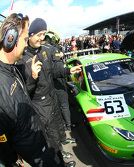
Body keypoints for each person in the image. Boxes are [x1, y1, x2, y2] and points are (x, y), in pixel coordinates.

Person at [0, 13, 66, 166]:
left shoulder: (12, 69)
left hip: (41, 142)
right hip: (37, 156)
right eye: (24, 39)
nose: (25, 44)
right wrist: (12, 161)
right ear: (10, 40)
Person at [17, 18, 81, 164]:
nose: (42, 38)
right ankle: (59, 162)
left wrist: (68, 70)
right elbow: (23, 92)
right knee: (50, 140)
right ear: (30, 35)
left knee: (58, 134)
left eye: (44, 34)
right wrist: (33, 77)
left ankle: (61, 158)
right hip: (40, 107)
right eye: (39, 34)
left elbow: (54, 70)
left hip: (52, 100)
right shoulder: (22, 58)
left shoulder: (45, 50)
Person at [44, 31, 74, 131]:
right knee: (64, 105)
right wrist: (68, 71)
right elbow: (59, 69)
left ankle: (62, 125)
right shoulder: (53, 50)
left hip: (48, 83)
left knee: (56, 106)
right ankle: (68, 125)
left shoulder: (41, 49)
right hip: (58, 81)